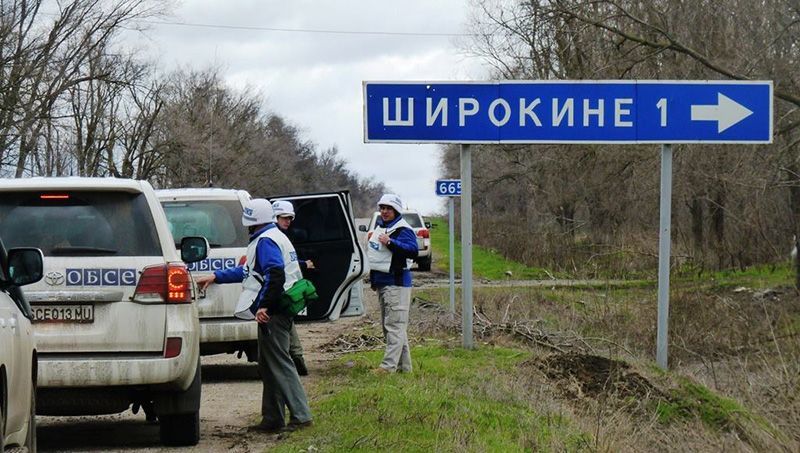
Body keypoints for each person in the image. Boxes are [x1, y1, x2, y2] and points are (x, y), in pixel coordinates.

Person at [196, 198, 312, 433]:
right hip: (283, 306)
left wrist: (264, 306)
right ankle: (273, 418)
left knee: (279, 363)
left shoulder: (266, 241)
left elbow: (275, 273)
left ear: (250, 220)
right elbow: (250, 271)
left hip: (275, 310)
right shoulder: (273, 236)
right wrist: (217, 276)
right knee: (270, 365)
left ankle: (301, 416)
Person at [366, 194, 418, 374]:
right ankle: (404, 368)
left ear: (396, 210)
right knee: (394, 328)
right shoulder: (382, 227)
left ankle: (387, 368)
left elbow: (413, 251)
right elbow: (376, 258)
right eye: (382, 208)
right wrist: (375, 281)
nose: (384, 211)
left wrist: (391, 242)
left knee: (394, 328)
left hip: (397, 284)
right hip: (383, 283)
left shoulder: (403, 229)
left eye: (388, 208)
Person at [272, 199, 311, 376]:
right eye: (284, 218)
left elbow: (289, 261)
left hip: (288, 288)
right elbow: (280, 263)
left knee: (287, 322)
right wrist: (304, 264)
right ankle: (296, 358)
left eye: (289, 218)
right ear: (275, 218)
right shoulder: (274, 238)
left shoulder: (281, 236)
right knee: (286, 323)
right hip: (281, 288)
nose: (287, 221)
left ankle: (296, 357)